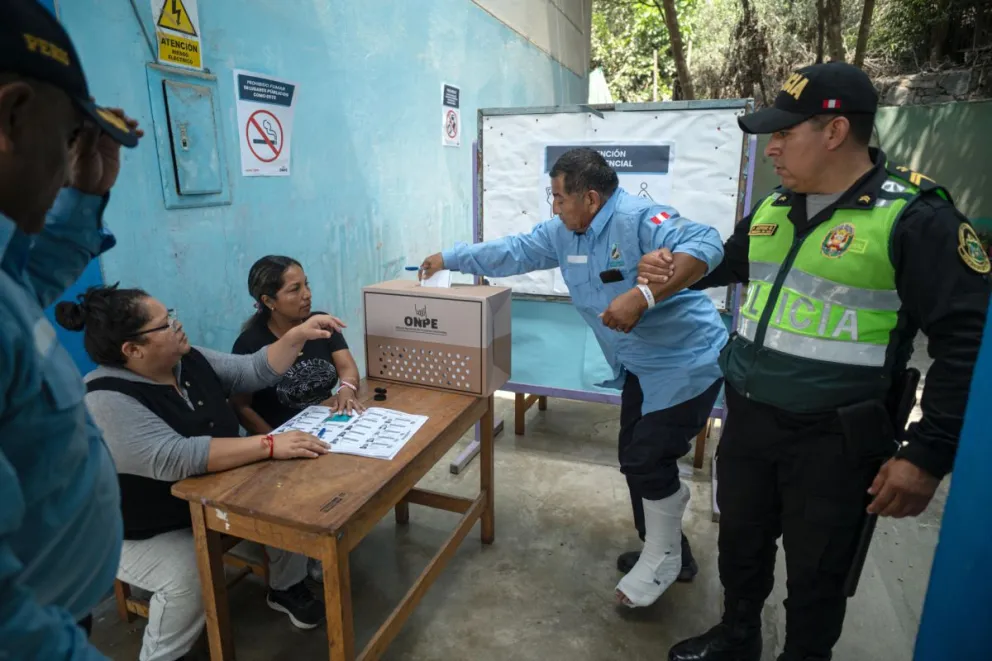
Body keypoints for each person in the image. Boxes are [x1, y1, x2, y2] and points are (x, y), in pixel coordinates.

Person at [636, 62, 990, 661]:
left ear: (833, 132)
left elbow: (969, 343)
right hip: (750, 420)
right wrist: (678, 271)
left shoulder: (915, 217)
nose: (771, 148)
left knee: (817, 571)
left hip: (835, 439)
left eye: (784, 134)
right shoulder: (777, 205)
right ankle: (738, 634)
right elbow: (730, 261)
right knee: (741, 544)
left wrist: (927, 454)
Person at [419, 147, 728, 608]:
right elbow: (513, 251)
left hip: (688, 359)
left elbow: (706, 242)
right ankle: (668, 552)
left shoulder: (639, 217)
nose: (554, 207)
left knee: (647, 458)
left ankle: (663, 555)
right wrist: (450, 257)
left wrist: (644, 293)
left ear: (590, 198)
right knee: (635, 457)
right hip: (642, 365)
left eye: (559, 198)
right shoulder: (564, 232)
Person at [54, 285, 343, 661]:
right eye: (165, 324)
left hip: (205, 497)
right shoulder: (104, 398)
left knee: (285, 491)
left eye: (170, 314)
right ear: (132, 349)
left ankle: (285, 587)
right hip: (135, 530)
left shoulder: (187, 361)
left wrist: (296, 336)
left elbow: (252, 370)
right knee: (188, 576)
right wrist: (270, 444)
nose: (177, 325)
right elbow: (175, 456)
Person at [0, 1, 144, 658]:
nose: (64, 168)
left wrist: (86, 197)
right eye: (63, 143)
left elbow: (27, 285)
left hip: (61, 609)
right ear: (9, 116)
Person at [232, 255, 363, 433]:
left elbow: (347, 368)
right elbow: (241, 407)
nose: (307, 294)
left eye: (306, 284)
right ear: (269, 301)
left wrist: (347, 390)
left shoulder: (321, 323)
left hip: (327, 427)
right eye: (295, 289)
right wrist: (273, 441)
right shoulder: (249, 343)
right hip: (280, 438)